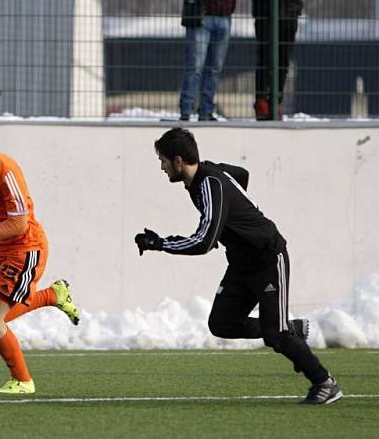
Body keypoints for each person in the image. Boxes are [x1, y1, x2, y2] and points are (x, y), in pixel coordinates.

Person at [134, 127, 342, 405]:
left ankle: (325, 383)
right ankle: (289, 326)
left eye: (163, 160)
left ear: (179, 161)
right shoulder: (209, 175)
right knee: (222, 323)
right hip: (242, 264)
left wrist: (160, 243)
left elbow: (204, 242)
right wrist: (236, 212)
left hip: (268, 258)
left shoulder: (210, 183)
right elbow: (241, 174)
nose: (161, 167)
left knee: (275, 335)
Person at [0, 101, 80, 394]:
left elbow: (19, 224)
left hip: (26, 247)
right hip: (2, 249)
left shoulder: (5, 170)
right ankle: (52, 295)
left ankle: (23, 380)